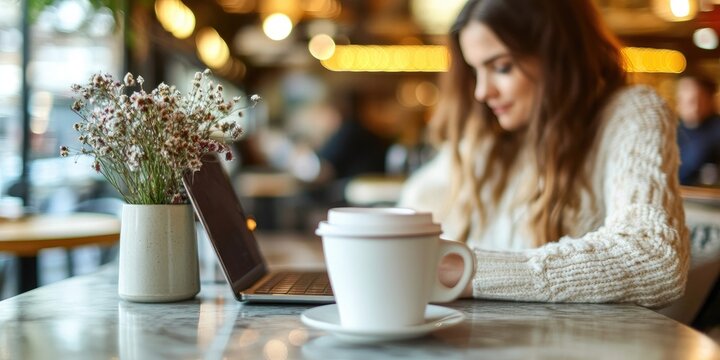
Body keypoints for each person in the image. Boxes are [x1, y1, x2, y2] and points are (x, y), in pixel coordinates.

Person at [398, 0, 688, 308]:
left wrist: (469, 270)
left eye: (501, 67)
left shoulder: (632, 113)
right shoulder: (488, 139)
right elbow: (417, 201)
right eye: (475, 71)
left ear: (559, 55)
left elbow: (654, 258)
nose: (482, 92)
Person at [676, 72, 720, 185]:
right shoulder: (672, 129)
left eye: (698, 100)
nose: (694, 107)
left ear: (710, 101)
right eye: (687, 101)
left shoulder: (716, 130)